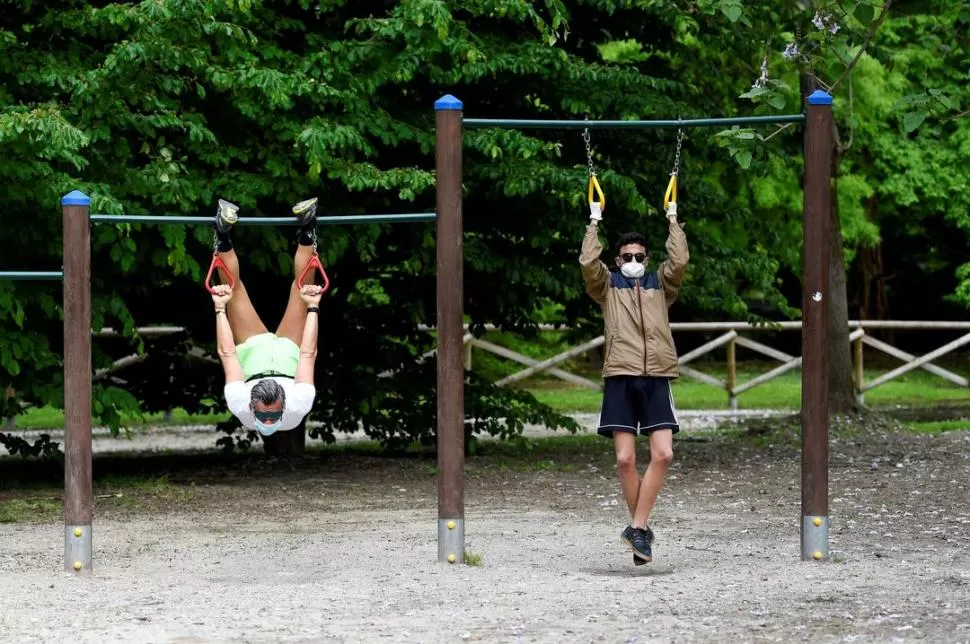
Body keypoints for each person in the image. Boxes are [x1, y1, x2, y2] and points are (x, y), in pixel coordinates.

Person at [579, 196, 689, 565]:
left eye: (639, 256)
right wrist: (594, 223)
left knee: (664, 453)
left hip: (657, 375)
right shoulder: (606, 287)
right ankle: (640, 532)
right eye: (626, 257)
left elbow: (681, 261)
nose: (633, 263)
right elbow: (586, 263)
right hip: (620, 376)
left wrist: (673, 219)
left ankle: (637, 528)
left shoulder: (661, 284)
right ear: (617, 260)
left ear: (647, 258)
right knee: (625, 460)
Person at [208, 197, 325, 437]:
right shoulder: (299, 402)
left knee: (233, 290)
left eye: (263, 415)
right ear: (284, 405)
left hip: (254, 355)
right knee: (301, 289)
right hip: (289, 354)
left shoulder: (238, 402)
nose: (268, 417)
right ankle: (307, 229)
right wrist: (313, 307)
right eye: (272, 415)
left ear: (251, 407)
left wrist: (220, 308)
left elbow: (227, 352)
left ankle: (223, 234)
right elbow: (307, 353)